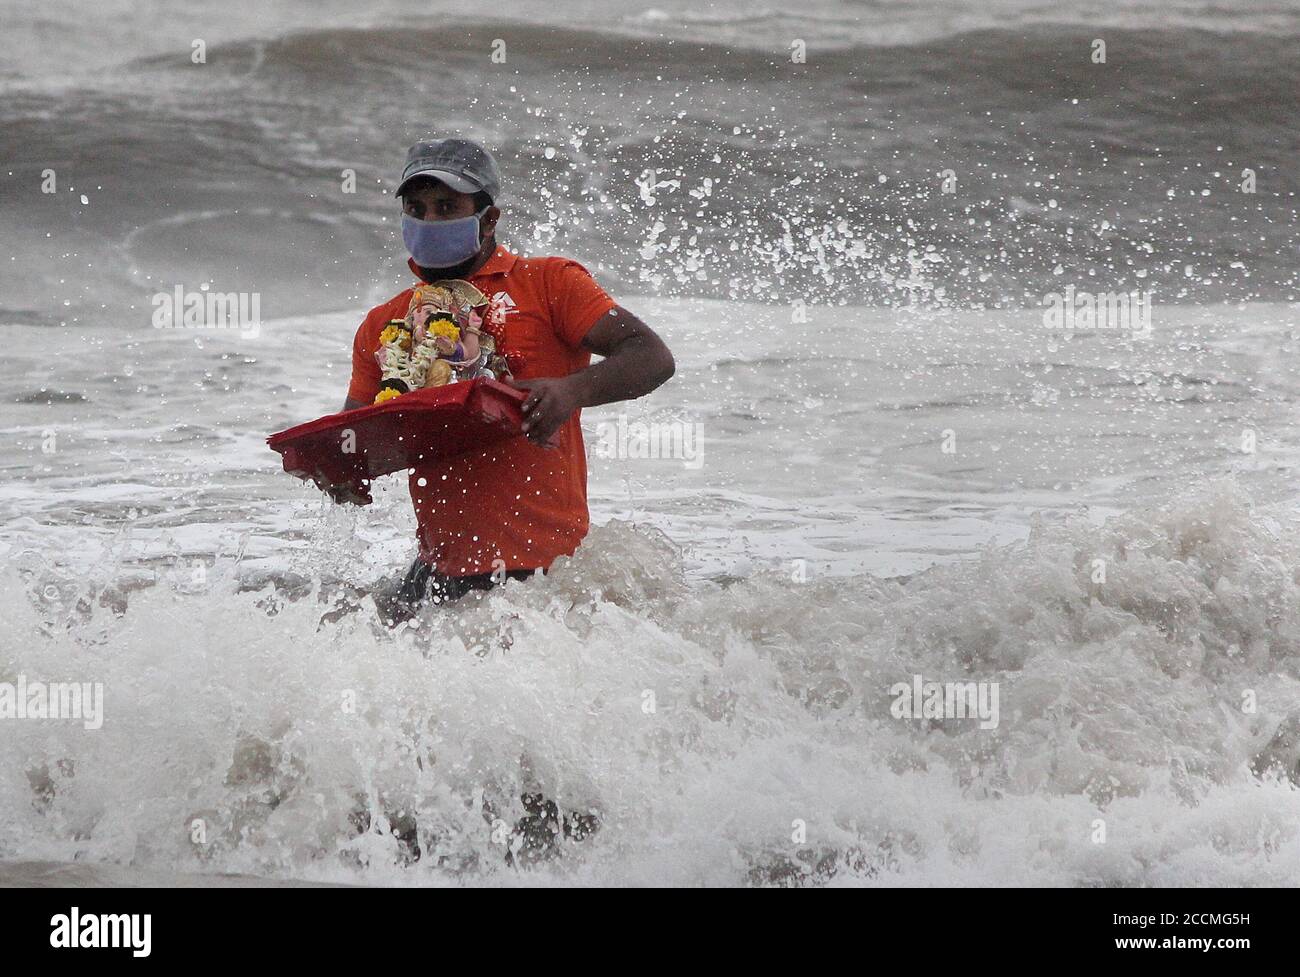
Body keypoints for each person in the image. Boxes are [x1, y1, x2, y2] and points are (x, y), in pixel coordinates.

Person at [335, 138, 675, 611]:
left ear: (489, 219)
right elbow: (350, 437)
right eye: (417, 209)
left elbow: (652, 356)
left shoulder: (549, 282)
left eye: (447, 207)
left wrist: (568, 391)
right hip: (437, 572)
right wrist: (341, 473)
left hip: (545, 577)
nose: (429, 221)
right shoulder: (385, 322)